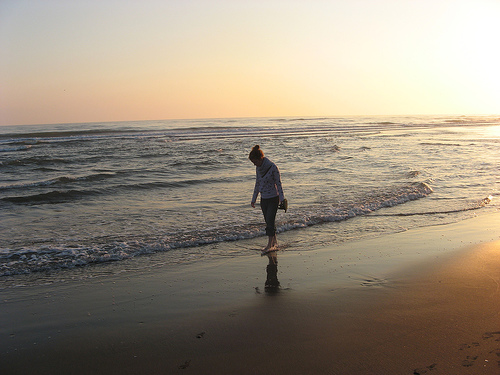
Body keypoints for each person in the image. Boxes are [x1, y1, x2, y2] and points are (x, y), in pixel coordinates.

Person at [249, 145, 285, 252]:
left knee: (270, 220)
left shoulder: (273, 167)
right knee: (269, 222)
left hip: (273, 198)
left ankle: (269, 245)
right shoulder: (258, 169)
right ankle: (274, 242)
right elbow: (257, 183)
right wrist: (253, 199)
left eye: (255, 162)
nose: (254, 164)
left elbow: (279, 184)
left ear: (260, 158)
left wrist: (282, 199)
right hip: (263, 199)